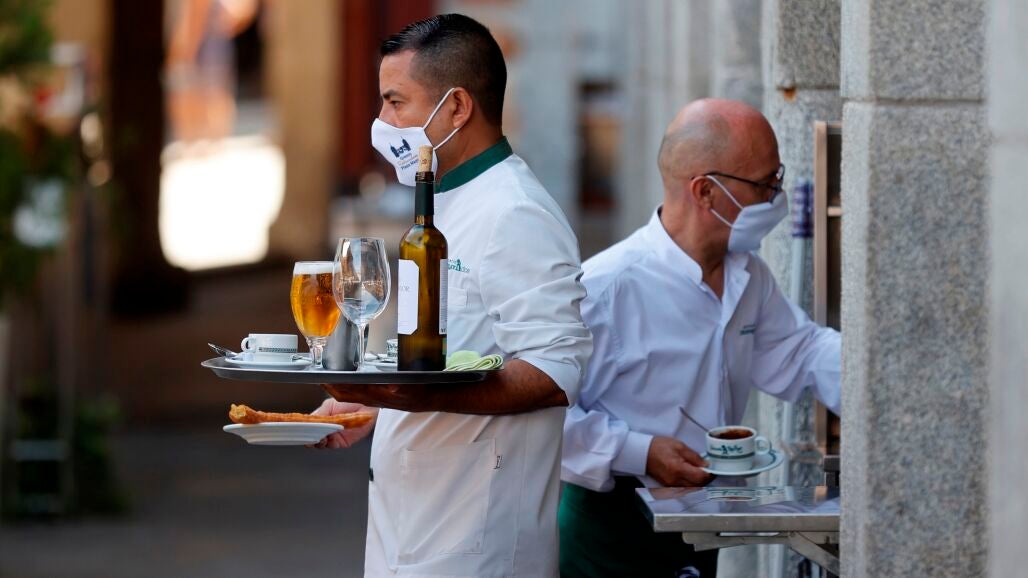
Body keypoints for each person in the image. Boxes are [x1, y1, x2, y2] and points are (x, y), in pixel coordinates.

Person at [311, 14, 592, 578]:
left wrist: (414, 397)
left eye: (396, 102)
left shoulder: (514, 211)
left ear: (457, 107)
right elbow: (456, 352)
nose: (383, 123)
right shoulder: (442, 200)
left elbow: (557, 371)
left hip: (477, 546)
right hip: (412, 531)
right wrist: (379, 403)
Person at [559, 98, 841, 577]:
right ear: (706, 191)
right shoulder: (605, 287)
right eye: (765, 184)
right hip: (609, 529)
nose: (776, 197)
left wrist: (885, 379)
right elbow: (546, 417)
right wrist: (640, 451)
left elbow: (801, 351)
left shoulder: (748, 275)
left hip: (698, 520)